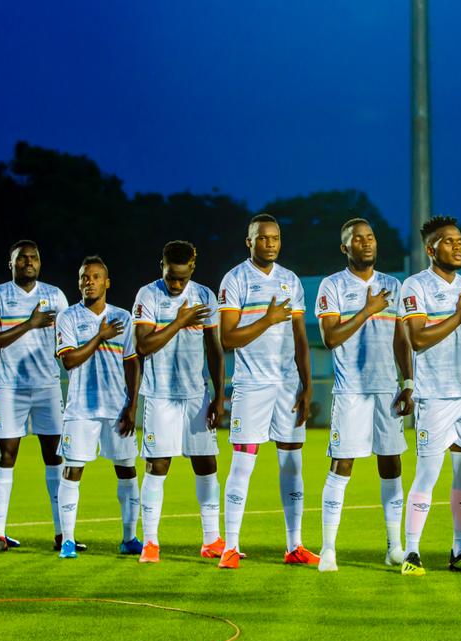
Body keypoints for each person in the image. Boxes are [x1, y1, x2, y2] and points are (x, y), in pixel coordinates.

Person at [216, 213, 317, 568]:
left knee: (292, 464)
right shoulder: (235, 279)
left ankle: (294, 545)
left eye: (275, 238)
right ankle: (230, 546)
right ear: (249, 242)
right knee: (243, 464)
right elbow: (227, 338)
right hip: (251, 386)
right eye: (262, 238)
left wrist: (307, 385)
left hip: (288, 386)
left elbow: (301, 338)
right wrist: (267, 319)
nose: (270, 243)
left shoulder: (290, 280)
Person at [398, 215, 461, 577]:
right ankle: (411, 552)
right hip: (434, 396)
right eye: (449, 241)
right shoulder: (415, 286)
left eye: (460, 241)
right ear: (430, 249)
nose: (458, 247)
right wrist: (456, 317)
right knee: (428, 473)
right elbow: (417, 339)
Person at [314, 218, 413, 572]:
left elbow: (401, 339)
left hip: (387, 390)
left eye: (370, 237)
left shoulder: (392, 285)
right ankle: (328, 549)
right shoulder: (332, 285)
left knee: (392, 464)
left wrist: (408, 383)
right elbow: (330, 338)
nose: (367, 243)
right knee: (342, 465)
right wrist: (368, 310)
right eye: (358, 239)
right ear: (345, 247)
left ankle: (394, 547)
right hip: (351, 391)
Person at [132, 240, 224, 564]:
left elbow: (215, 349)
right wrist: (180, 321)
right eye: (170, 276)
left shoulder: (205, 296)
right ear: (162, 266)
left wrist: (219, 396)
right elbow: (143, 346)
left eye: (182, 278)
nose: (175, 284)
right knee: (158, 465)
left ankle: (212, 539)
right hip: (160, 395)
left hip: (197, 395)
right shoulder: (147, 296)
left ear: (192, 269)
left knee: (207, 464)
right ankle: (151, 542)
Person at [0, 240, 71, 554]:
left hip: (48, 387)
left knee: (55, 457)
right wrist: (30, 324)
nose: (28, 262)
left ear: (40, 262)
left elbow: (67, 339)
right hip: (10, 388)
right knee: (6, 457)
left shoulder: (55, 296)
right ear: (11, 264)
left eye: (33, 258)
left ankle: (63, 534)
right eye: (21, 259)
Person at [54, 256, 141, 559]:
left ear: (107, 282)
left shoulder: (123, 318)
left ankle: (129, 538)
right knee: (72, 470)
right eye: (84, 277)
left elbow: (132, 364)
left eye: (94, 277)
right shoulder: (67, 317)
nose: (88, 282)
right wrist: (100, 336)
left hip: (117, 408)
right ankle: (67, 540)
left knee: (127, 469)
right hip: (81, 409)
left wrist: (132, 405)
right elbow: (69, 360)